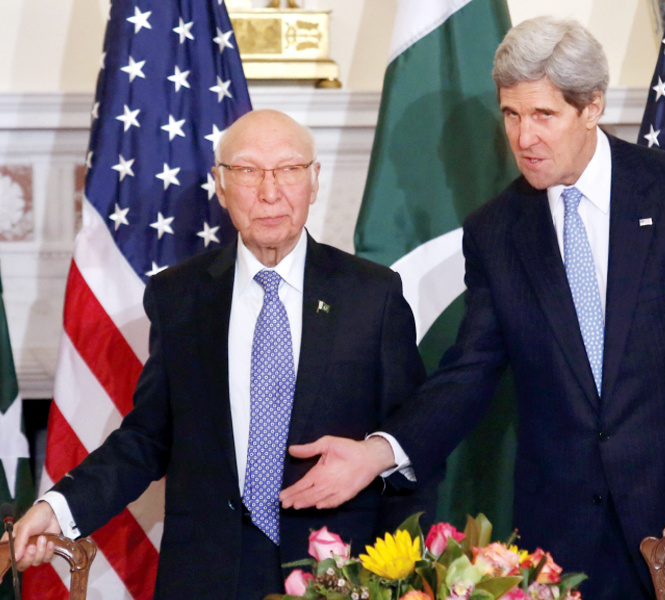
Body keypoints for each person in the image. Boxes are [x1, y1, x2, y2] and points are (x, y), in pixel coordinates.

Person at [278, 17, 665, 600]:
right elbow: (468, 374)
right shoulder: (498, 230)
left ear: (591, 107)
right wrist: (377, 451)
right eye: (511, 115)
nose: (523, 137)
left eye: (544, 115)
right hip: (565, 550)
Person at [4, 110, 439, 599]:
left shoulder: (372, 295)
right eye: (249, 171)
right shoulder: (179, 297)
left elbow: (411, 439)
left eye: (290, 170)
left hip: (341, 573)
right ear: (221, 184)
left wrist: (408, 575)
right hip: (205, 576)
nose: (270, 192)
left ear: (314, 181)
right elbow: (147, 438)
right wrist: (57, 509)